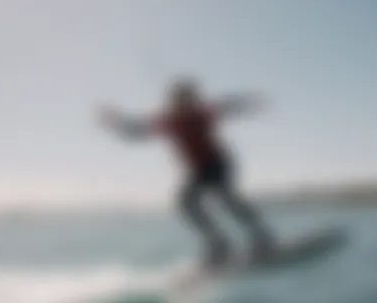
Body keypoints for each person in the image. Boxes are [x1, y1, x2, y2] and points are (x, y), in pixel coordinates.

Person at [97, 76, 274, 267]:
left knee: (226, 198)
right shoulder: (169, 120)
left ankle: (262, 237)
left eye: (190, 99)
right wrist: (115, 123)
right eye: (182, 101)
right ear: (174, 102)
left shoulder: (203, 113)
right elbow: (138, 131)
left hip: (218, 163)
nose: (187, 105)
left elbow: (231, 105)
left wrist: (254, 102)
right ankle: (219, 244)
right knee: (185, 204)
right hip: (197, 170)